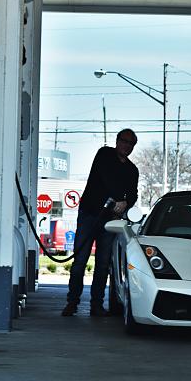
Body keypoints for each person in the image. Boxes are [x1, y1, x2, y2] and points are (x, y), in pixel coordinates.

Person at [61, 129, 139, 317]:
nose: (126, 146)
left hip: (110, 221)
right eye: (124, 141)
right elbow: (107, 178)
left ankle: (96, 304)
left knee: (103, 264)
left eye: (130, 143)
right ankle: (72, 302)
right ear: (117, 141)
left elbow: (133, 194)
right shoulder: (104, 154)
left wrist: (126, 203)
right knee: (80, 260)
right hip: (89, 214)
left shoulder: (132, 170)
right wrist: (120, 198)